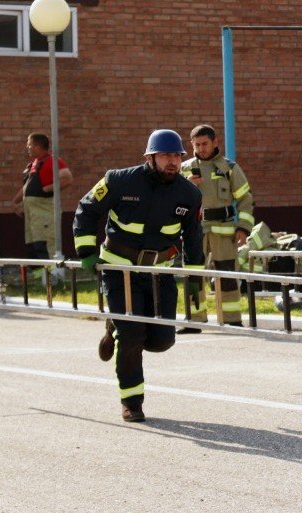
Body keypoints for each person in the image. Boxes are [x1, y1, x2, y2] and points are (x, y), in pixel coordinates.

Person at [72, 129, 204, 422]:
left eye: (177, 156)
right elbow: (86, 209)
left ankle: (115, 328)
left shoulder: (189, 194)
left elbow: (194, 237)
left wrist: (196, 278)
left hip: (159, 274)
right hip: (121, 271)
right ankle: (132, 402)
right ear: (150, 157)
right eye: (166, 155)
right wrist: (86, 251)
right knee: (132, 335)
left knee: (161, 340)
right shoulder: (119, 180)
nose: (172, 161)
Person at [178, 124, 254, 333]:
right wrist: (186, 184)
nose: (201, 148)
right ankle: (195, 320)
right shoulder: (183, 169)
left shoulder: (229, 168)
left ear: (215, 143)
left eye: (205, 144)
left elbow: (245, 200)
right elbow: (170, 198)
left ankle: (231, 320)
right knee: (192, 275)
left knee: (228, 275)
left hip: (224, 231)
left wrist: (244, 228)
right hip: (194, 231)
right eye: (197, 144)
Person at [12, 132, 73, 260]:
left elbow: (67, 179)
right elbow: (27, 186)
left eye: (29, 145)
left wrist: (47, 188)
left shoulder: (53, 161)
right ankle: (41, 277)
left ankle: (53, 276)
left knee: (46, 243)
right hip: (33, 215)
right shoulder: (34, 164)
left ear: (37, 147)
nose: (27, 148)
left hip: (45, 213)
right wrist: (16, 201)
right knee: (34, 245)